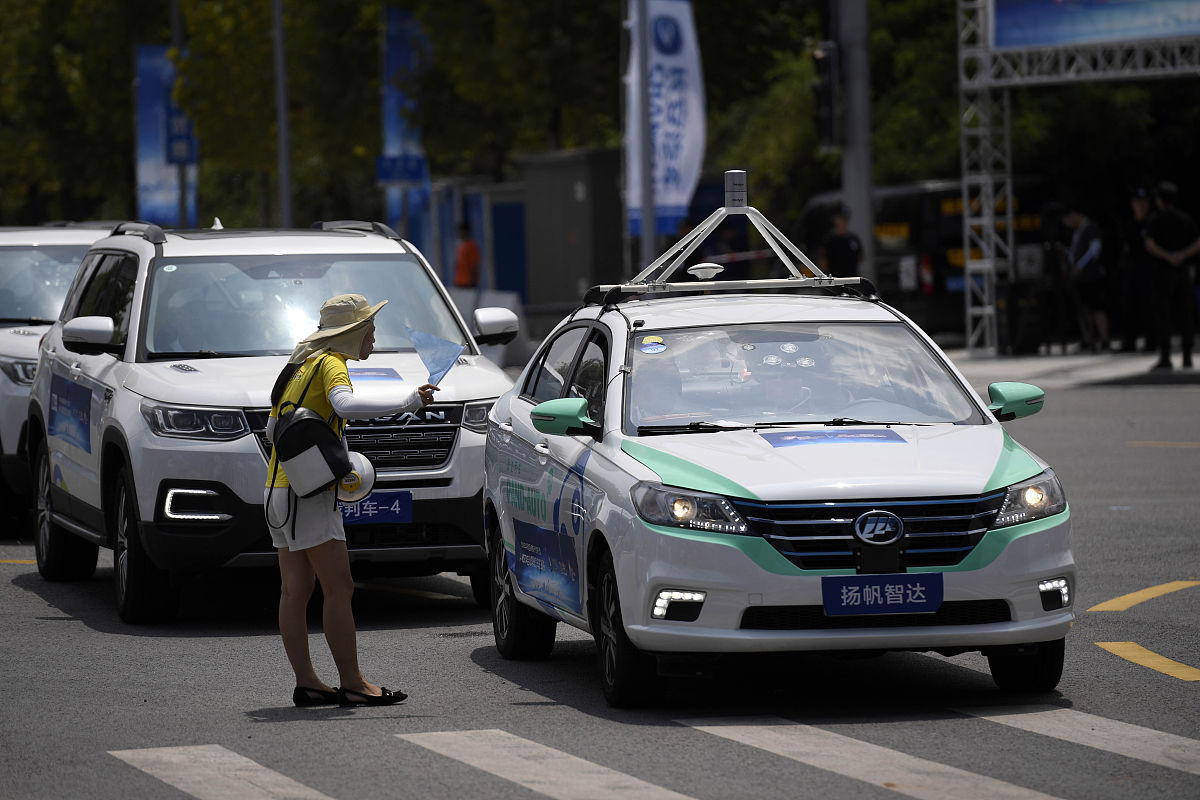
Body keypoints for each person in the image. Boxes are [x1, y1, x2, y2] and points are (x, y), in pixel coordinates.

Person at [265, 294, 439, 707]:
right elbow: (344, 404)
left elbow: (273, 429)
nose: (374, 335)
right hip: (309, 497)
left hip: (276, 491)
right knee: (339, 586)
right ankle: (354, 683)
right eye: (369, 327)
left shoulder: (299, 364)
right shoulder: (329, 362)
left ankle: (308, 682)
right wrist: (409, 400)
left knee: (294, 591)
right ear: (350, 333)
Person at [1144, 181, 1198, 370]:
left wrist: (1167, 256)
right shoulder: (1185, 219)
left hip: (1162, 271)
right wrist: (1182, 255)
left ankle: (1165, 356)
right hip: (1182, 271)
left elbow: (1149, 245)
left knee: (1163, 314)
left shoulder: (1155, 219)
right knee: (1186, 314)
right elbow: (1197, 242)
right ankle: (1187, 356)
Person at [1061, 205, 1109, 352]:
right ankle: (1089, 339)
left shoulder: (1090, 227)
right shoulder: (1079, 230)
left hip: (1091, 275)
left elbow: (1095, 249)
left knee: (1097, 307)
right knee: (1085, 309)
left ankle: (1104, 339)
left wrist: (1080, 265)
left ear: (1073, 215)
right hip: (1082, 277)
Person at [1118, 186, 1158, 353]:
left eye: (1143, 201)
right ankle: (1129, 342)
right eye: (1137, 201)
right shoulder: (1129, 224)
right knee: (1130, 305)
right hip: (1132, 269)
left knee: (1150, 306)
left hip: (1150, 270)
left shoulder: (1153, 222)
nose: (1140, 205)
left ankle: (1151, 342)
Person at [817, 204, 863, 277]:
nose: (843, 222)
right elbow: (823, 263)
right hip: (836, 281)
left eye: (845, 219)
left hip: (852, 280)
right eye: (841, 219)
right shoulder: (829, 240)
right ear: (835, 220)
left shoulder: (854, 238)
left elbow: (860, 257)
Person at [452, 221, 480, 288]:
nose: (460, 234)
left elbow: (474, 265)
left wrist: (472, 281)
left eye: (461, 232)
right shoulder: (461, 246)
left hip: (467, 282)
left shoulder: (471, 246)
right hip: (459, 281)